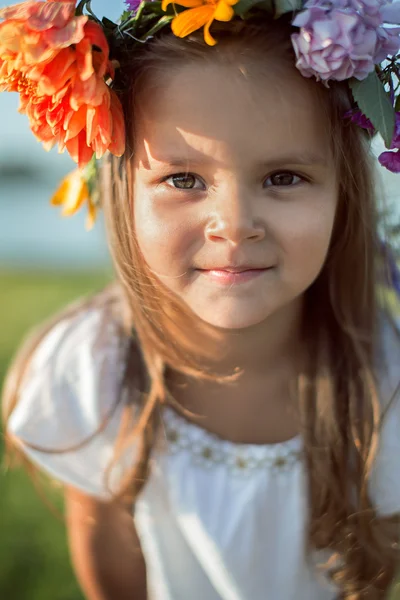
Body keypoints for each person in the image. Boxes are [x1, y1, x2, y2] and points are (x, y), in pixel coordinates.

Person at [1, 0, 400, 598]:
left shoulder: (383, 389)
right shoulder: (90, 373)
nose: (235, 225)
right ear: (125, 190)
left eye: (283, 177)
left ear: (343, 191)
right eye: (184, 179)